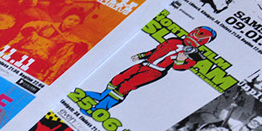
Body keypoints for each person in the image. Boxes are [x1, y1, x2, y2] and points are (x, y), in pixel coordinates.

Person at [85, 26, 216, 111]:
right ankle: (102, 96)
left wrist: (180, 60)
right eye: (195, 34)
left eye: (201, 38)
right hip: (144, 64)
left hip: (155, 72)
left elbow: (178, 68)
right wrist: (141, 56)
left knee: (126, 85)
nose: (194, 38)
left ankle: (102, 107)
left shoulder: (194, 56)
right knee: (119, 78)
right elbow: (155, 50)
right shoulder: (173, 41)